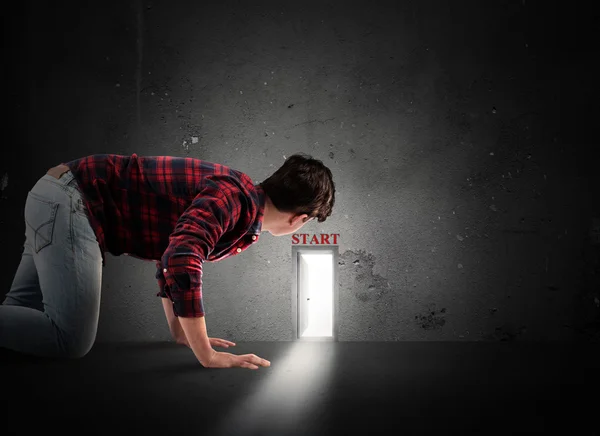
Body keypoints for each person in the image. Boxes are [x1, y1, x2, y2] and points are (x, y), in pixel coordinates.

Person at [0, 153, 336, 370]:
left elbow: (168, 253)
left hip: (56, 196)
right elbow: (182, 258)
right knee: (70, 339)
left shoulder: (242, 200)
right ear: (299, 220)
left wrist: (180, 332)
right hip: (73, 201)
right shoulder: (233, 201)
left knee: (20, 314)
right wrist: (206, 353)